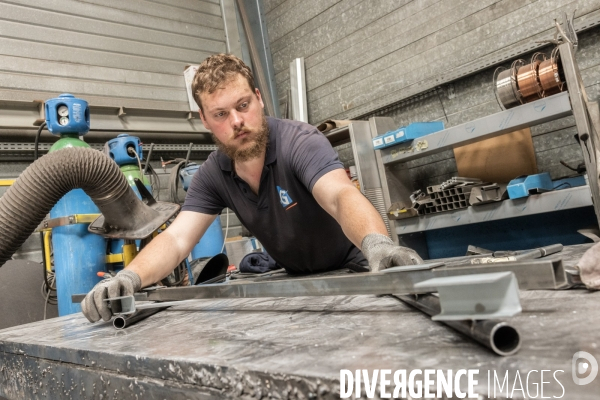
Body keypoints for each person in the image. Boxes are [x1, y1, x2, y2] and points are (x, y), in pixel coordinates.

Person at [81, 54, 423, 323]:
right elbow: (177, 239)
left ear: (258, 99)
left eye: (243, 105)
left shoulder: (299, 142)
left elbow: (339, 195)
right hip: (297, 284)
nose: (236, 121)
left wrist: (377, 244)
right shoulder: (213, 174)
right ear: (204, 120)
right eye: (220, 114)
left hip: (357, 270)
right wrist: (128, 278)